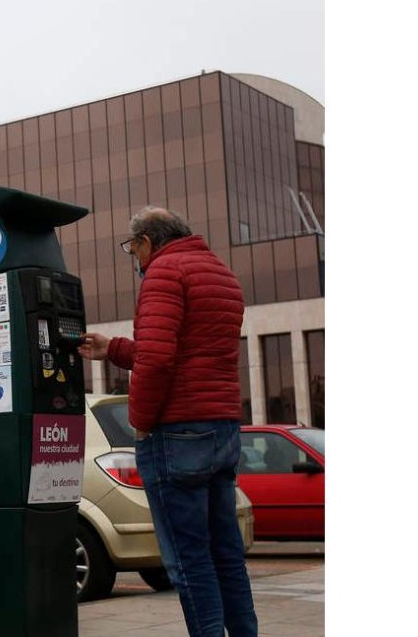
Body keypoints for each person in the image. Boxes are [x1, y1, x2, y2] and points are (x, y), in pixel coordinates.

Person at [79, 206, 257, 637]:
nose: (136, 260)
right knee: (226, 555)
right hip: (221, 426)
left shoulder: (164, 272)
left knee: (188, 559)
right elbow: (186, 350)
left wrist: (140, 421)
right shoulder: (220, 273)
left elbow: (158, 360)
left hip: (177, 431)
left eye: (133, 249)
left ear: (147, 241)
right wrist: (113, 348)